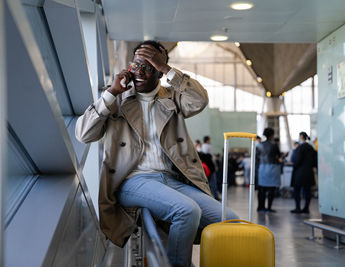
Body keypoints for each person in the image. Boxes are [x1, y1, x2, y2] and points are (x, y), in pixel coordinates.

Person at [75, 40, 238, 267]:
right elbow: (83, 134)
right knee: (187, 210)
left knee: (230, 221)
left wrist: (167, 69)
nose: (140, 72)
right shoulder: (117, 99)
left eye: (149, 66)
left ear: (160, 72)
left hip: (173, 180)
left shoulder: (171, 96)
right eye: (136, 66)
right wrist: (112, 92)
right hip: (132, 181)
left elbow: (199, 101)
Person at [290, 132, 317, 214]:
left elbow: (296, 160)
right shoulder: (311, 147)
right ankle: (306, 208)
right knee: (307, 191)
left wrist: (293, 163)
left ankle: (298, 208)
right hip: (309, 173)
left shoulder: (300, 148)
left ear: (301, 137)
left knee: (297, 190)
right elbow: (315, 161)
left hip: (299, 173)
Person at [256, 128, 282, 212]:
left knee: (261, 189)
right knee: (271, 190)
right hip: (273, 169)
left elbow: (256, 158)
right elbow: (279, 157)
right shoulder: (274, 145)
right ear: (272, 135)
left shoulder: (259, 145)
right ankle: (269, 208)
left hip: (262, 168)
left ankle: (260, 207)